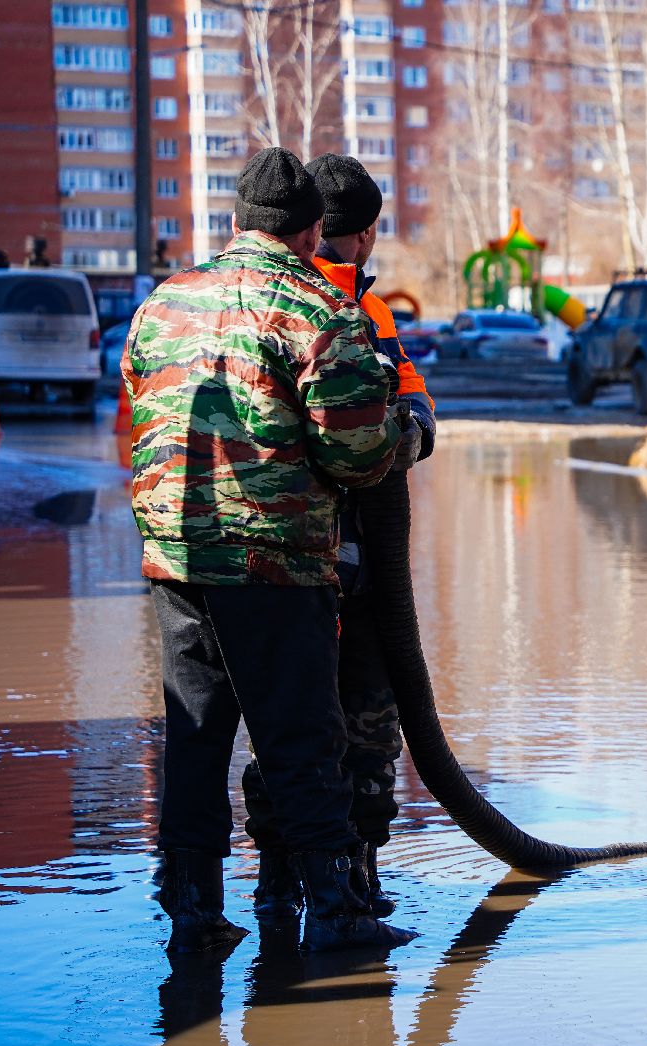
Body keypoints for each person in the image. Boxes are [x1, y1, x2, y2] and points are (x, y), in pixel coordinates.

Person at [123, 146, 415, 953]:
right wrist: (408, 427)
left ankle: (191, 907)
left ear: (233, 222)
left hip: (176, 556)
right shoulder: (322, 313)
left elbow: (140, 399)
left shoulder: (162, 304)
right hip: (274, 559)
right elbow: (357, 455)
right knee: (299, 735)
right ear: (316, 229)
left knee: (196, 732)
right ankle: (336, 912)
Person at [242, 153, 435, 923]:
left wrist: (416, 417)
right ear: (356, 234)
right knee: (334, 725)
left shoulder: (358, 307)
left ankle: (318, 879)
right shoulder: (323, 307)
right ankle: (318, 882)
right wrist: (402, 431)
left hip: (336, 565)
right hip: (319, 560)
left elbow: (406, 381)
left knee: (312, 725)